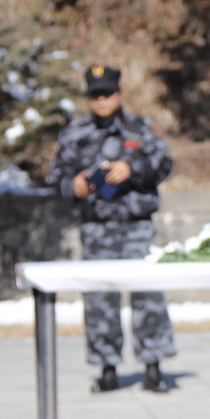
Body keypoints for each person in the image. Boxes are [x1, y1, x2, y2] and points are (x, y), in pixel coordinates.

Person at [51, 64, 176, 393]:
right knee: (99, 300)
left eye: (107, 93)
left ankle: (154, 367)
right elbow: (56, 176)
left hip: (136, 226)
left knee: (148, 297)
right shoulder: (74, 133)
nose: (102, 99)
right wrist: (73, 184)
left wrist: (130, 167)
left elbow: (164, 163)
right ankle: (107, 369)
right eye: (95, 94)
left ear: (119, 94)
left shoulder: (141, 128)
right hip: (97, 227)